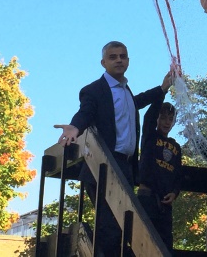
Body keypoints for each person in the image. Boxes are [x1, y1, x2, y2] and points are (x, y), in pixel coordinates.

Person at [54, 41, 174, 257]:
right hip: (103, 165)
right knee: (109, 226)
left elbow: (137, 102)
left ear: (128, 61)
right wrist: (75, 127)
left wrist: (162, 88)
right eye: (113, 57)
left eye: (123, 56)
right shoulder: (94, 90)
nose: (119, 59)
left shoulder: (126, 92)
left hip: (126, 167)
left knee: (121, 228)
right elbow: (86, 112)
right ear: (103, 62)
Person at [137, 96, 181, 252]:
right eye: (163, 118)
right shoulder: (150, 136)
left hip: (165, 203)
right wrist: (162, 92)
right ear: (157, 118)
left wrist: (175, 193)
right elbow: (148, 117)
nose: (167, 122)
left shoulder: (176, 147)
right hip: (147, 196)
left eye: (170, 119)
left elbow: (178, 175)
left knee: (165, 245)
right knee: (143, 241)